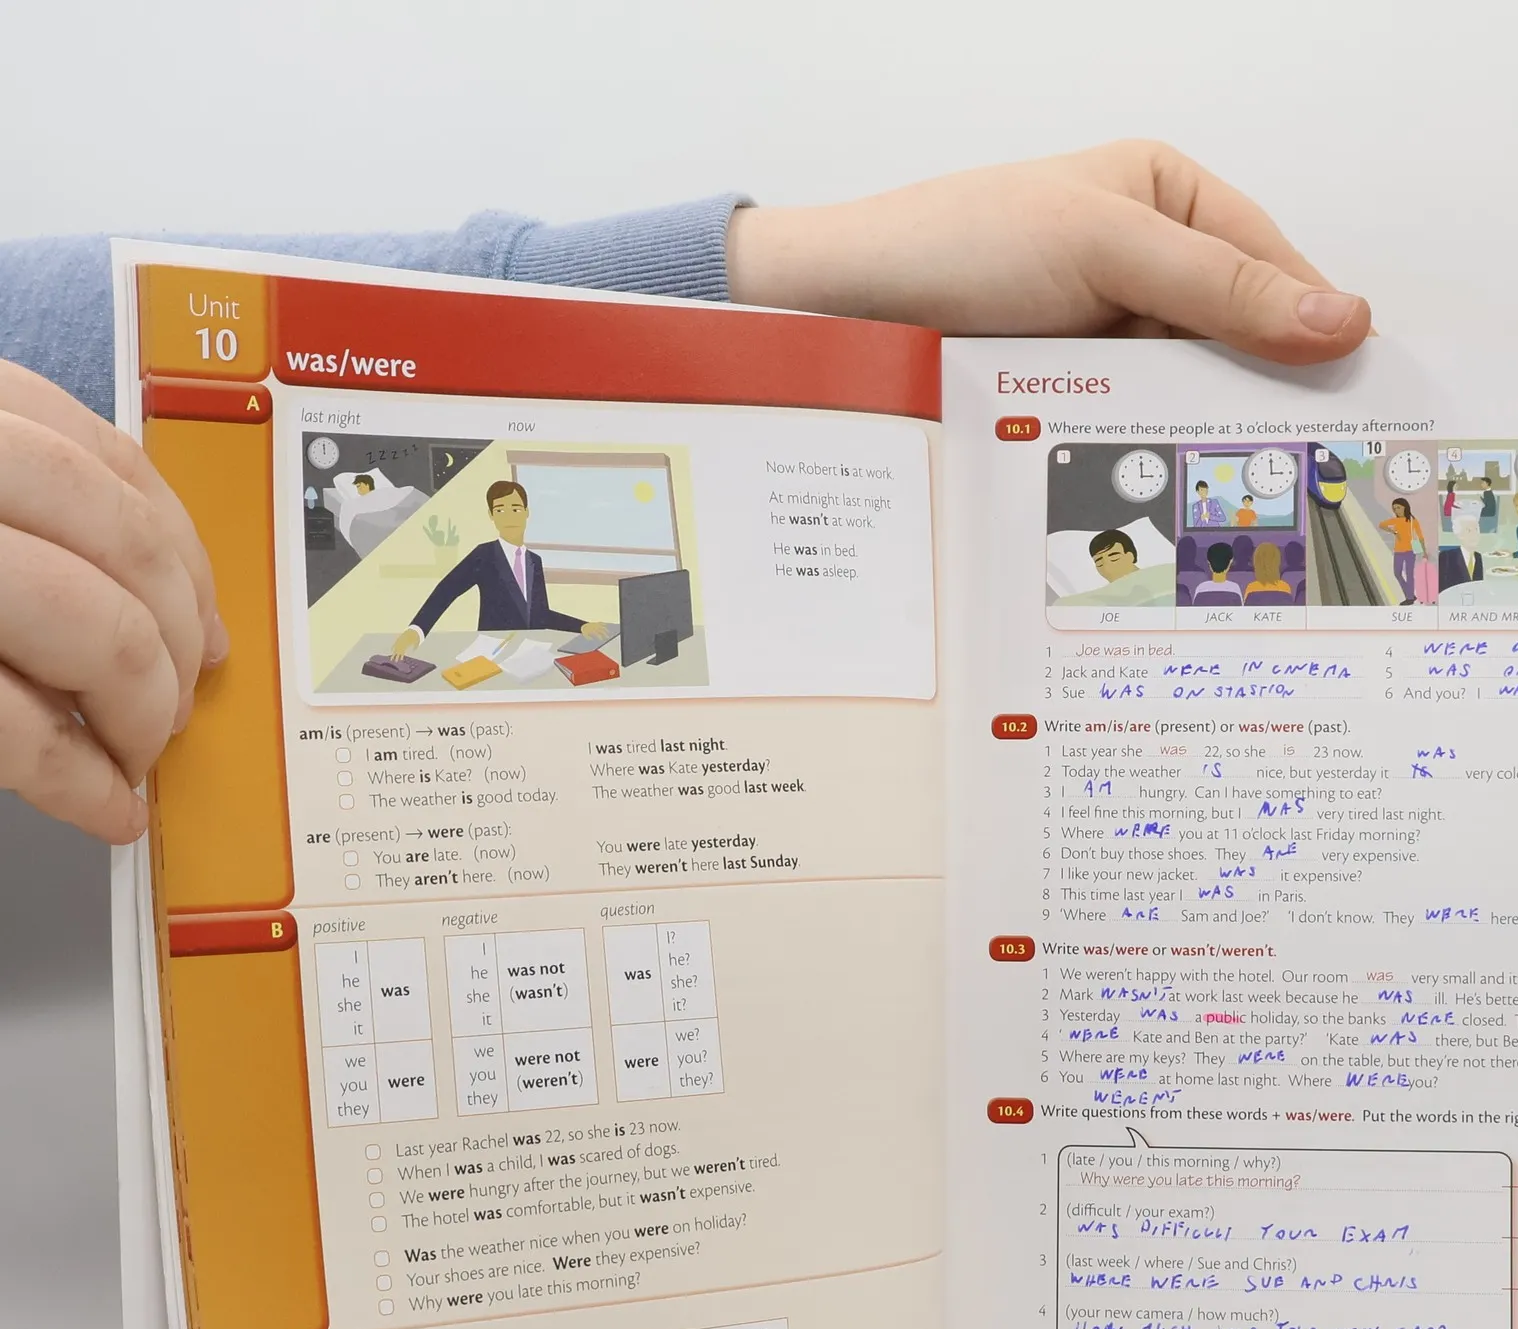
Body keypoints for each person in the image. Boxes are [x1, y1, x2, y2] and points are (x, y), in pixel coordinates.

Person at [0, 143, 1368, 842]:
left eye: (519, 511)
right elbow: (429, 613)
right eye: (509, 512)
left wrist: (783, 282)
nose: (513, 520)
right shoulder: (470, 565)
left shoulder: (552, 567)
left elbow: (100, 341)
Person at [392, 480, 610, 656]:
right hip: (493, 650)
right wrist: (417, 630)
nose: (509, 516)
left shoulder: (534, 561)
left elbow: (540, 614)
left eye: (515, 509)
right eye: (500, 510)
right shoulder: (484, 554)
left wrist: (581, 626)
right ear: (491, 515)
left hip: (531, 651)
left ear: (526, 512)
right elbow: (447, 590)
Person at [1378, 496, 1424, 605]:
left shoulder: (1413, 521)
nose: (1396, 510)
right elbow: (1381, 525)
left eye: (1398, 507)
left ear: (1405, 507)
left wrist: (1424, 551)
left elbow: (1420, 536)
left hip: (1410, 551)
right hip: (1398, 551)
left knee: (1409, 574)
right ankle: (1410, 594)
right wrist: (1392, 531)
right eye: (1394, 508)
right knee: (1397, 573)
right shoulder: (1395, 520)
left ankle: (1409, 598)